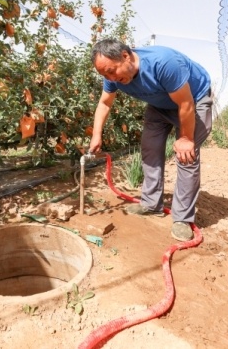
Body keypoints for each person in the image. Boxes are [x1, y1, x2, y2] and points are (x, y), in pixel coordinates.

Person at [88, 39, 213, 241]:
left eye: (112, 71)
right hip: (159, 104)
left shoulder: (163, 63)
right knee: (150, 148)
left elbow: (185, 102)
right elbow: (104, 103)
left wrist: (186, 138)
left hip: (193, 100)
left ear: (125, 56)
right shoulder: (112, 76)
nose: (111, 78)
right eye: (105, 75)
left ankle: (182, 218)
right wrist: (96, 134)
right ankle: (151, 204)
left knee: (185, 155)